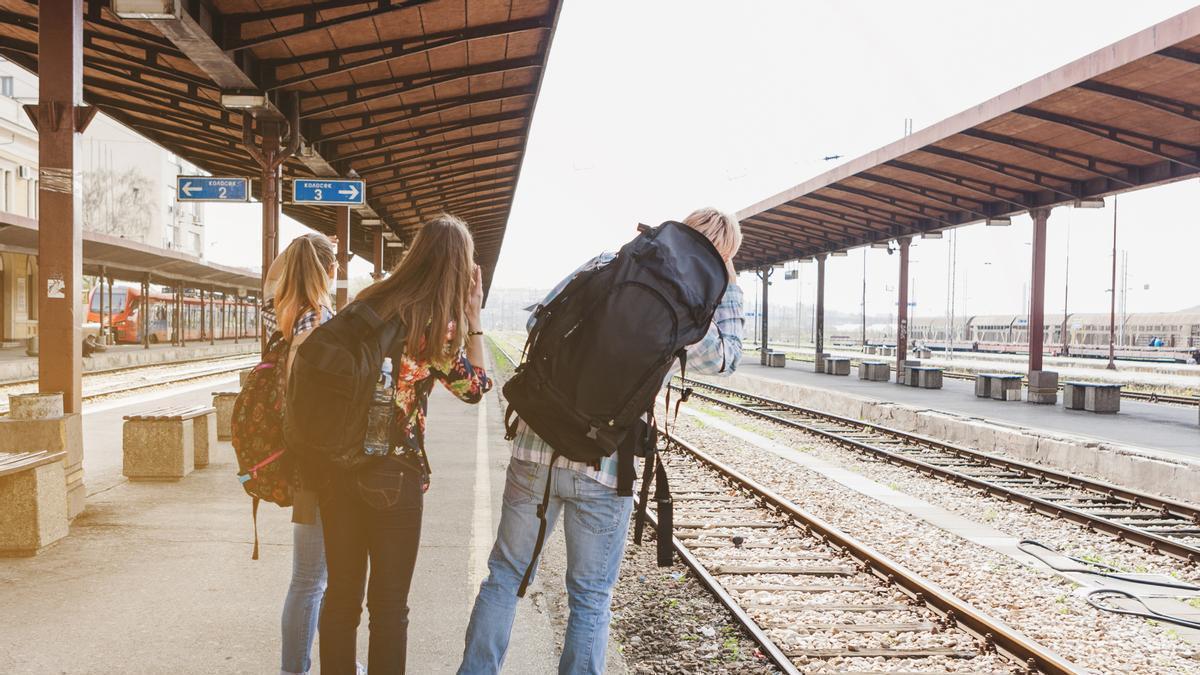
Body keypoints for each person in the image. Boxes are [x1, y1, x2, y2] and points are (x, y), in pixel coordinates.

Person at [457, 207, 745, 675]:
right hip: (607, 462)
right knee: (590, 598)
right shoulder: (702, 307)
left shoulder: (611, 262)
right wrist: (727, 289)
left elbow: (539, 322)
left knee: (505, 576)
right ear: (724, 256)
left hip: (538, 442)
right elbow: (727, 362)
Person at [319, 214, 493, 675]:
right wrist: (474, 320)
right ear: (458, 268)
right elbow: (475, 388)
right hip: (394, 473)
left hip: (337, 466)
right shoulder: (435, 325)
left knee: (340, 597)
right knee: (389, 607)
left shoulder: (367, 303)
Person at [262, 233, 339, 675]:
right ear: (330, 271)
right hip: (320, 463)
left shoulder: (286, 313)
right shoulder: (322, 322)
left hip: (301, 457)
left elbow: (273, 276)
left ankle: (314, 664)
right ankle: (298, 669)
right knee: (312, 577)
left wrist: (302, 246)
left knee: (311, 577)